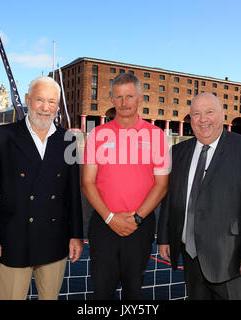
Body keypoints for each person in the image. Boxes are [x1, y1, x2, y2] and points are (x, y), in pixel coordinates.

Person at [157, 92, 241, 300]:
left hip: (232, 261)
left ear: (222, 115)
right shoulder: (178, 151)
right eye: (196, 114)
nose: (203, 119)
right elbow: (170, 198)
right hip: (191, 258)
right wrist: (164, 237)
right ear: (190, 119)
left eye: (209, 112)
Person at [0, 76, 83, 300]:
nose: (46, 108)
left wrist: (76, 236)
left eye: (52, 102)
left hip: (54, 240)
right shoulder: (2, 137)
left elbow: (72, 194)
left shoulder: (68, 140)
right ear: (27, 100)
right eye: (40, 100)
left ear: (58, 105)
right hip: (13, 243)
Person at [82, 72, 169, 300]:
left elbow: (161, 185)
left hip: (140, 225)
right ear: (112, 99)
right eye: (119, 97)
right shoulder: (97, 135)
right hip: (103, 224)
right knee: (101, 293)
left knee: (133, 292)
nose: (124, 102)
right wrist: (111, 218)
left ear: (140, 99)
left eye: (129, 96)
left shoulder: (157, 136)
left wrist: (136, 218)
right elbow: (87, 183)